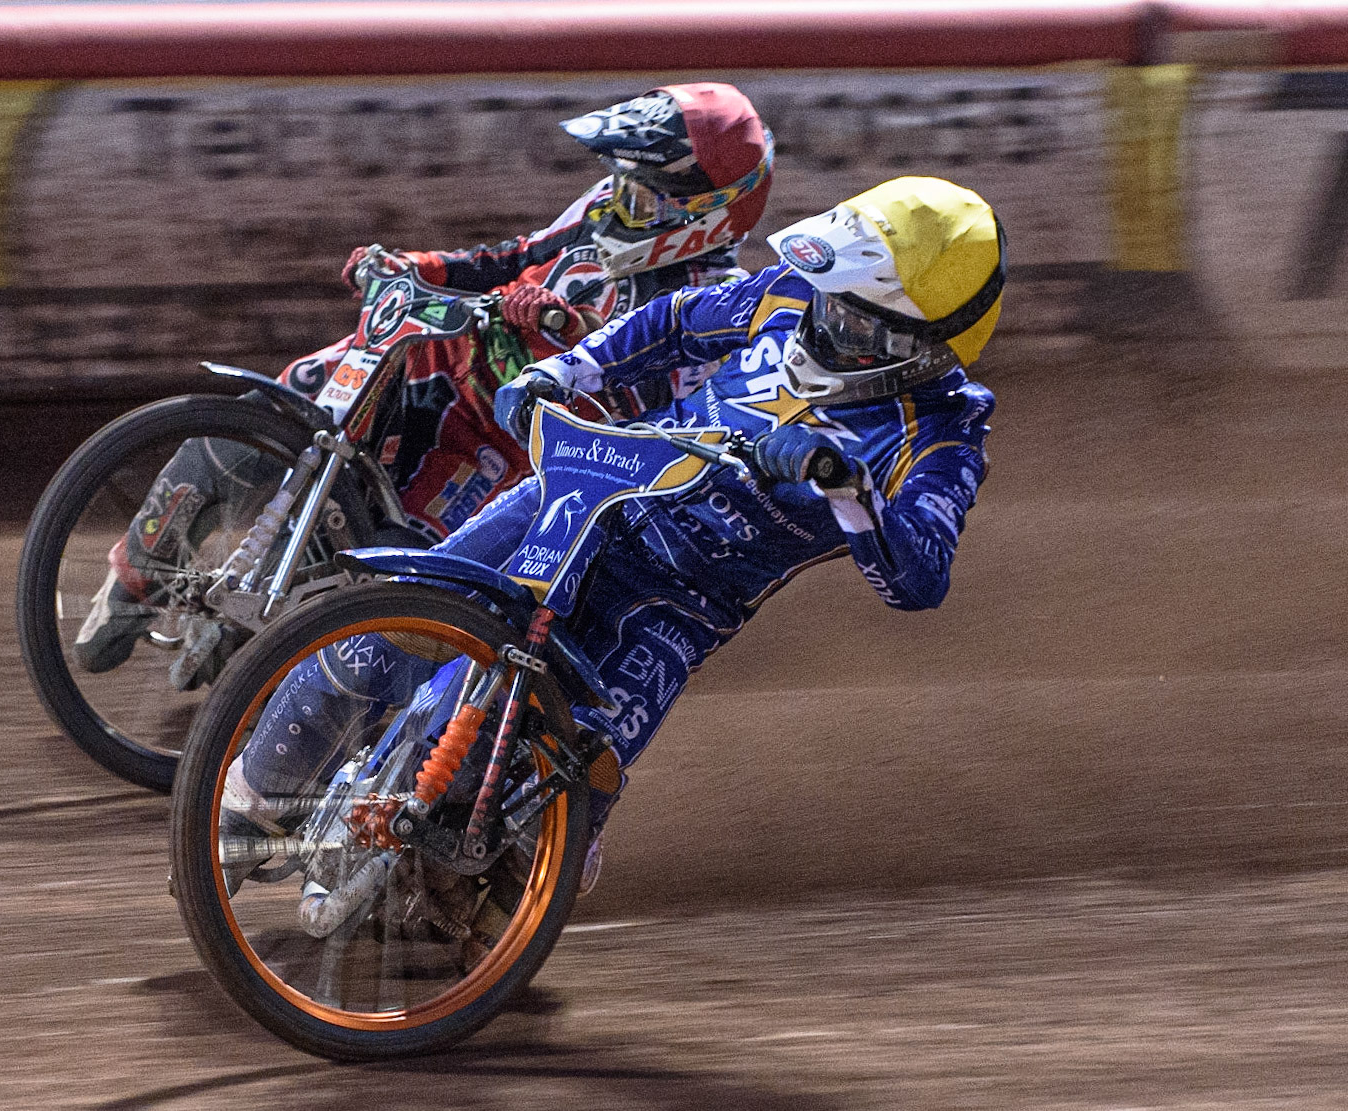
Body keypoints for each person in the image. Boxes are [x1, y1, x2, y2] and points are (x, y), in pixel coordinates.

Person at [225, 175, 1004, 895]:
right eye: (830, 296)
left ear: (921, 345)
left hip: (681, 601)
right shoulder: (787, 293)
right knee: (393, 617)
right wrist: (565, 373)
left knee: (578, 772)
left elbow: (918, 579)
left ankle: (488, 913)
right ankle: (239, 811)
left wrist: (846, 486)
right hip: (591, 486)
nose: (824, 318)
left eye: (854, 317)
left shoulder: (944, 431)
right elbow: (674, 323)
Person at [76, 82, 776, 674]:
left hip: (498, 452)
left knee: (398, 591)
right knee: (269, 413)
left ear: (706, 214)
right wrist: (415, 265)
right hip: (429, 353)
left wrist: (571, 339)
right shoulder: (605, 208)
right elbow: (512, 256)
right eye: (623, 182)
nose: (620, 203)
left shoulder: (708, 306)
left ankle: (283, 696)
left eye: (643, 195)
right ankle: (135, 573)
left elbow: (646, 436)